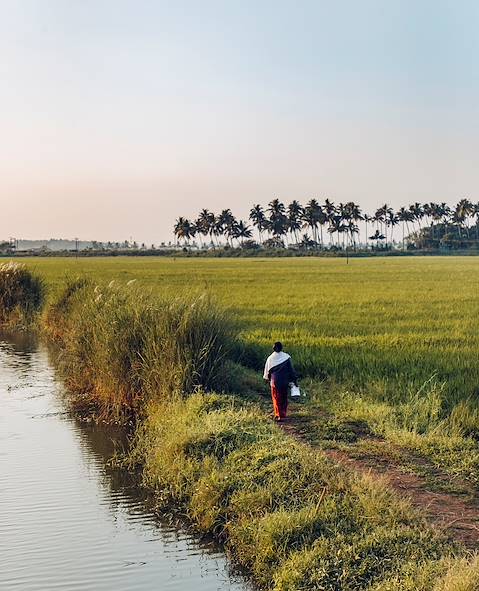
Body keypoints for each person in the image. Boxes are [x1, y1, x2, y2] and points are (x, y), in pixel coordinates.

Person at [263, 341, 297, 422]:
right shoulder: (286, 357)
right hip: (284, 381)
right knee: (284, 397)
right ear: (282, 348)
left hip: (274, 381)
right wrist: (294, 379)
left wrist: (267, 379)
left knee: (276, 397)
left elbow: (267, 372)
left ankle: (278, 415)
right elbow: (291, 370)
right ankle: (283, 413)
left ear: (273, 348)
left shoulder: (270, 358)